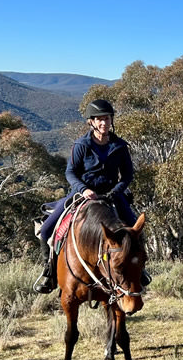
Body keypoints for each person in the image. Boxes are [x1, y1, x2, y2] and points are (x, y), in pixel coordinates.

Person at [33, 99, 149, 293]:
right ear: (91, 122)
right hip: (82, 194)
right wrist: (83, 189)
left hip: (113, 195)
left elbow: (127, 175)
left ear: (112, 120)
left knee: (136, 230)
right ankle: (49, 273)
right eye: (100, 119)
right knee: (46, 231)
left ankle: (140, 270)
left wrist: (116, 191)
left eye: (107, 118)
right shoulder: (81, 145)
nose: (104, 123)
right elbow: (70, 173)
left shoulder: (120, 146)